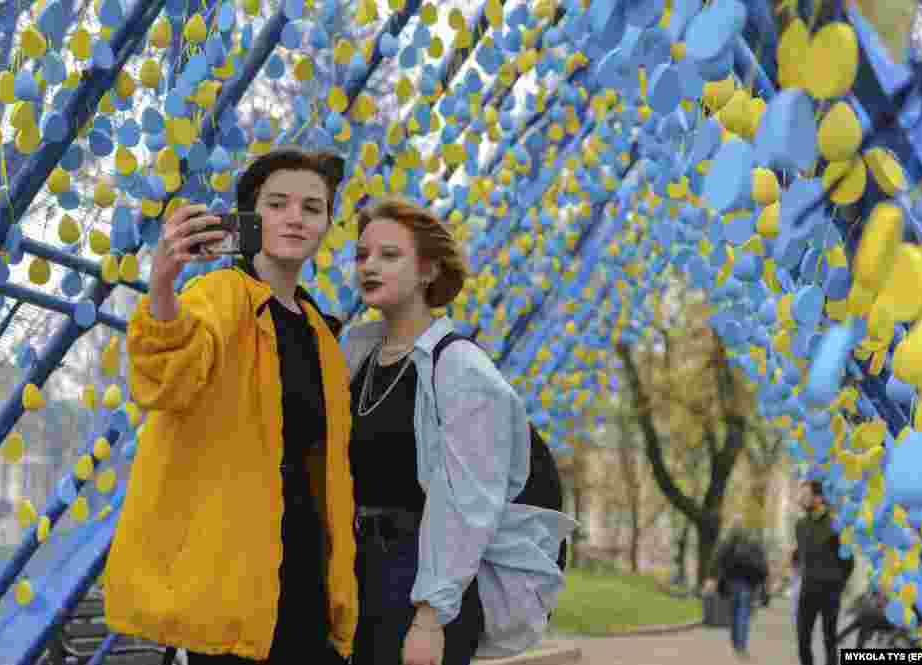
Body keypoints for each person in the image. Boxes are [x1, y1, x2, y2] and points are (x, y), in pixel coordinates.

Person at [103, 146, 358, 664]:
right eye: (277, 203)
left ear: (328, 223)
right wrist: (162, 283)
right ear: (250, 216)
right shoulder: (221, 294)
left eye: (313, 208)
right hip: (229, 590)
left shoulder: (321, 333)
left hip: (306, 584)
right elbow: (165, 377)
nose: (294, 217)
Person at [340, 196, 577, 665]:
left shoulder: (461, 369)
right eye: (362, 255)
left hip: (422, 582)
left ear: (428, 270)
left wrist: (429, 619)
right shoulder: (359, 354)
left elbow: (466, 504)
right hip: (359, 570)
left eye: (390, 256)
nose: (370, 266)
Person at [795, 479, 854, 665]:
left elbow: (848, 560)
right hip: (807, 590)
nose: (801, 499)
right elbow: (801, 553)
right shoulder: (800, 525)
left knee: (829, 639)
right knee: (802, 640)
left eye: (805, 495)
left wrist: (837, 583)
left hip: (830, 591)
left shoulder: (835, 525)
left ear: (818, 498)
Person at [710, 522, 770, 660]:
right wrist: (762, 582)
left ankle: (736, 643)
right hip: (748, 584)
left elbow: (717, 558)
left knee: (733, 614)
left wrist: (713, 577)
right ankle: (741, 647)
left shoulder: (727, 543)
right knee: (743, 615)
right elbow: (763, 565)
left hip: (731, 583)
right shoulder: (753, 543)